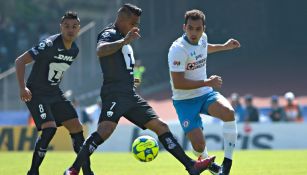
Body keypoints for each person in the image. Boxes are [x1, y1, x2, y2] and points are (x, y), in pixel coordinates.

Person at [64, 4, 215, 175]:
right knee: (104, 131)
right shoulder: (110, 34)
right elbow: (100, 51)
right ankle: (74, 169)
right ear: (122, 19)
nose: (136, 27)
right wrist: (124, 41)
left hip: (130, 94)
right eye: (133, 23)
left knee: (161, 127)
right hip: (115, 93)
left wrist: (130, 78)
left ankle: (191, 166)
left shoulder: (123, 36)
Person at [15, 11, 94, 175]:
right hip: (36, 93)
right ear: (61, 27)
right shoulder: (50, 44)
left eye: (74, 26)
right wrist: (23, 87)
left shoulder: (75, 50)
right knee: (49, 128)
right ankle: (33, 171)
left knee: (77, 127)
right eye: (66, 26)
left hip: (54, 92)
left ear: (79, 29)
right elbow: (20, 61)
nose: (70, 30)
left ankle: (86, 171)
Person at [167, 9, 240, 175]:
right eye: (190, 28)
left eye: (198, 29)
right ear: (184, 27)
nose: (194, 32)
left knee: (228, 113)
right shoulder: (177, 50)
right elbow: (178, 83)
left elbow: (204, 48)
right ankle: (210, 165)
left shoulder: (203, 39)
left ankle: (226, 165)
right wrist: (208, 81)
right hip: (184, 100)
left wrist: (225, 46)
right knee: (199, 146)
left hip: (205, 94)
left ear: (203, 29)